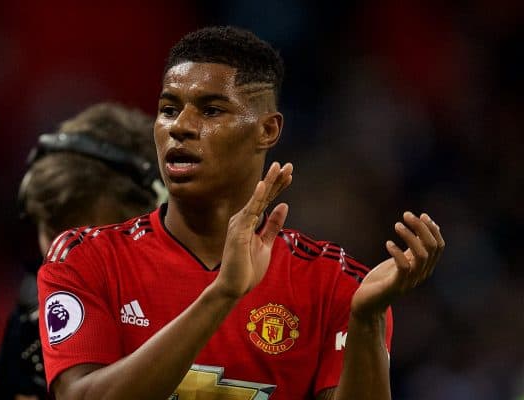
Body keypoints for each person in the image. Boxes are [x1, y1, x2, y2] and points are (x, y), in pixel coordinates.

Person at [37, 26, 445, 400]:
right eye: (168, 109)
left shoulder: (334, 285)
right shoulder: (85, 258)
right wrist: (222, 294)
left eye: (211, 110)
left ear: (267, 130)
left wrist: (367, 320)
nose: (180, 126)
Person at [0, 102, 162, 399]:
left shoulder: (210, 313)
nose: (64, 263)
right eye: (53, 235)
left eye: (88, 242)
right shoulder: (30, 329)